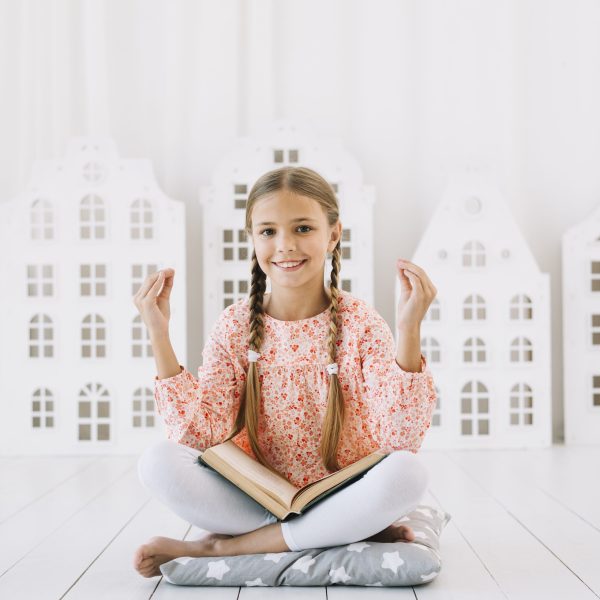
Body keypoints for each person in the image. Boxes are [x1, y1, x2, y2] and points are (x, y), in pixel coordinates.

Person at [132, 166, 438, 578]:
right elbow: (197, 435)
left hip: (340, 495)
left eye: (303, 228)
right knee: (156, 461)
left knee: (409, 474)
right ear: (252, 238)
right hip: (253, 500)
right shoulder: (235, 324)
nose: (285, 246)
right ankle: (331, 534)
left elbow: (400, 438)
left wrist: (408, 329)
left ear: (333, 235)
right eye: (268, 231)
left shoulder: (361, 323)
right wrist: (158, 332)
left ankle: (226, 548)